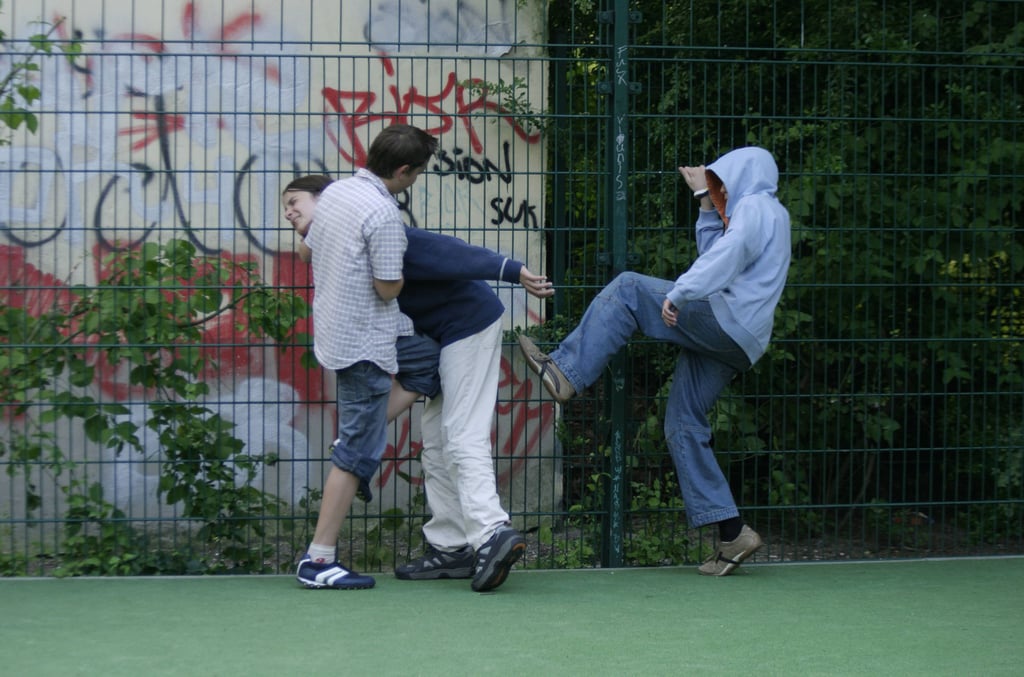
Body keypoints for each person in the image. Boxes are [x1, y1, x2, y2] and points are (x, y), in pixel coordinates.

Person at [518, 146, 791, 576]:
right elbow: (716, 254)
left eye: (722, 182)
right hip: (741, 340)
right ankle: (732, 532)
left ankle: (565, 371)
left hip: (725, 319)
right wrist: (704, 199)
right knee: (682, 425)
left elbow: (726, 255)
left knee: (628, 288)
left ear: (742, 175)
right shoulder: (769, 213)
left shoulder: (755, 206)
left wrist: (679, 293)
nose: (719, 191)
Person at [284, 174, 554, 592]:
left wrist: (513, 270)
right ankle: (452, 547)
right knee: (435, 442)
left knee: (461, 434)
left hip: (469, 326)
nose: (288, 211)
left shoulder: (386, 235)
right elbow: (307, 248)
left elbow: (452, 253)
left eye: (295, 201)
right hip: (438, 340)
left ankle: (491, 531)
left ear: (332, 203)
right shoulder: (339, 249)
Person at [291, 123, 438, 590]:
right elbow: (386, 286)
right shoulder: (382, 213)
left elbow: (307, 247)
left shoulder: (335, 194)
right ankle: (318, 560)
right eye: (416, 174)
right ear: (401, 170)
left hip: (341, 329)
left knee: (427, 364)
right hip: (364, 341)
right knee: (358, 451)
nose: (414, 181)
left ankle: (357, 439)